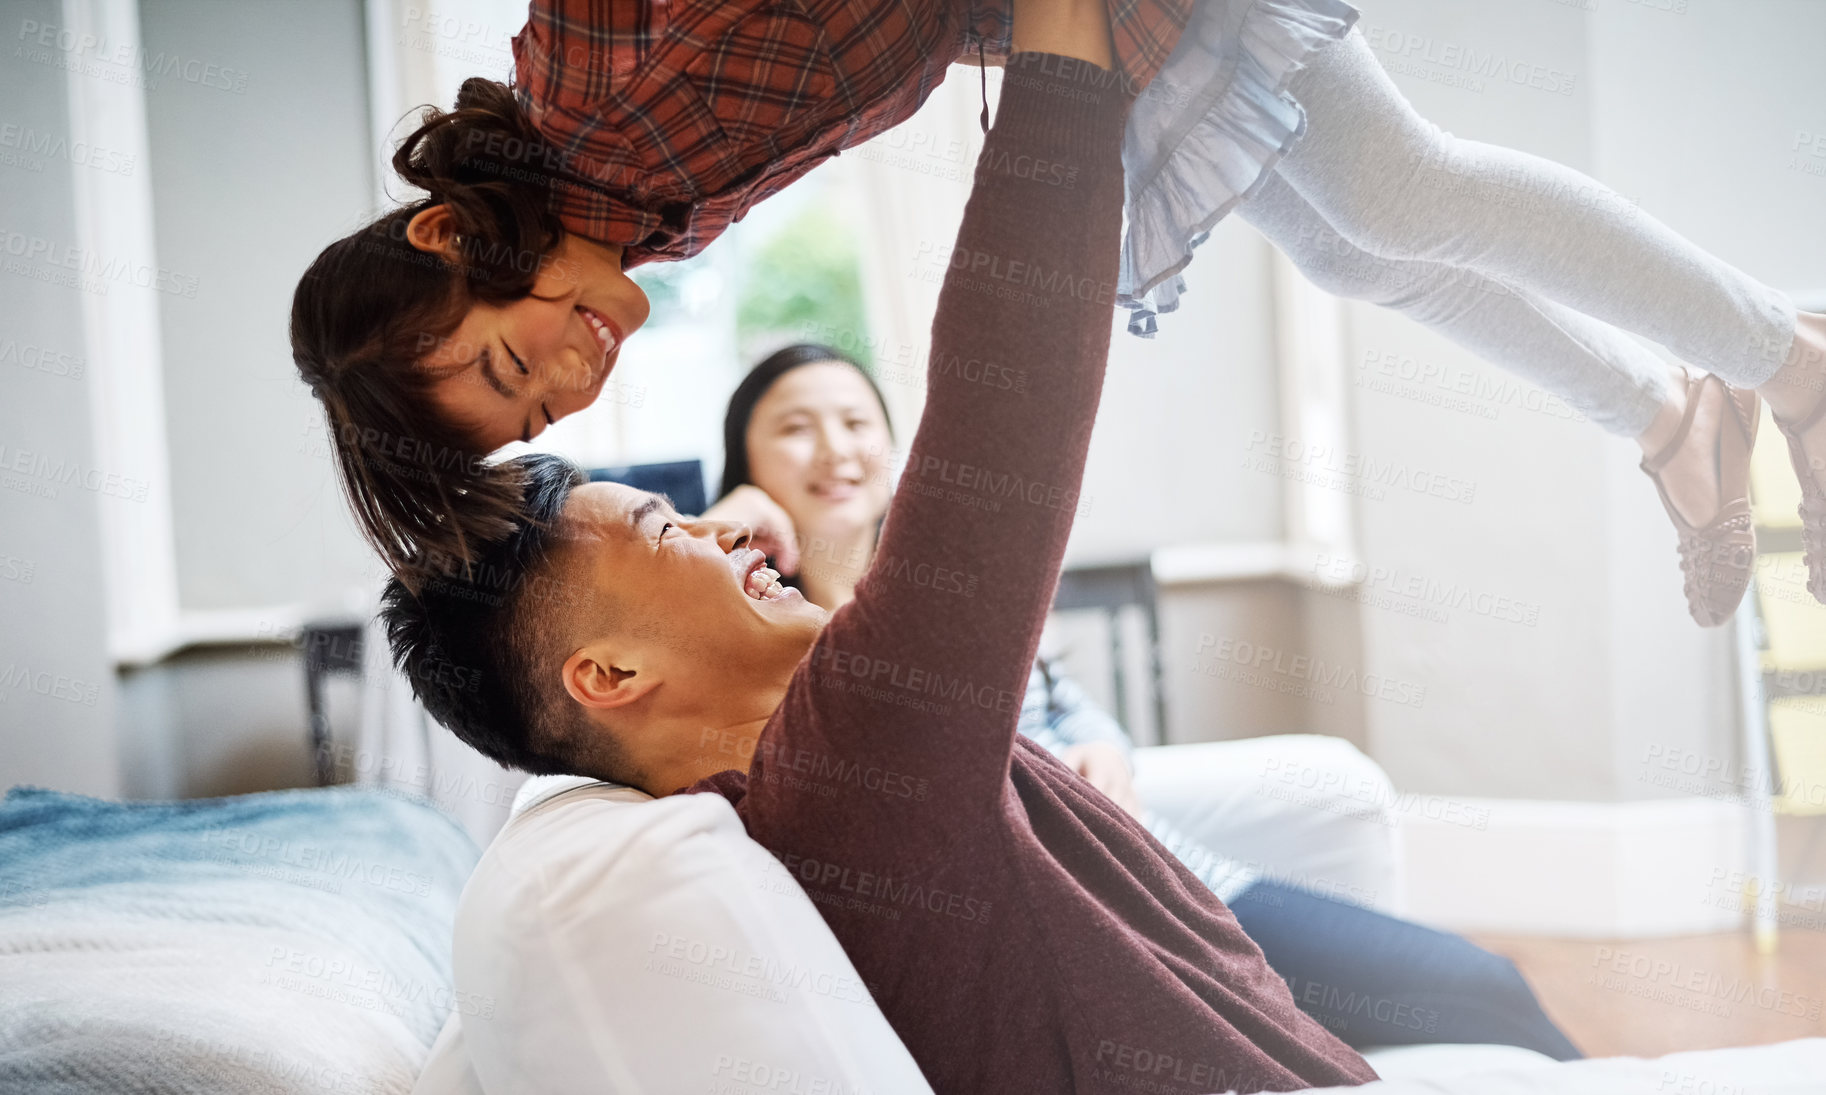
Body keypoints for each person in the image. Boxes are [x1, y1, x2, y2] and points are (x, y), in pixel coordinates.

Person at [381, 36, 1381, 1093]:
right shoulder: (840, 766)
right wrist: (1060, 60)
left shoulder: (800, 783)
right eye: (667, 531)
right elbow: (1003, 411)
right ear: (610, 675)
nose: (724, 529)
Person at [292, 0, 1826, 630]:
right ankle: (1674, 415)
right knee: (1361, 249)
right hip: (1041, 24)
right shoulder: (638, 213)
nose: (574, 371)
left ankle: (1792, 361)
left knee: (1403, 191)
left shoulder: (592, 83)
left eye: (513, 356)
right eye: (543, 407)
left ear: (447, 233)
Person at [701, 341, 1579, 1058]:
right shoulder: (765, 634)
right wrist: (727, 534)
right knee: (1479, 990)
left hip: (1175, 876)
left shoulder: (946, 585)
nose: (836, 450)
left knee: (1483, 985)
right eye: (795, 429)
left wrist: (1107, 747)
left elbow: (1061, 699)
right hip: (1101, 923)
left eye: (857, 422)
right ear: (744, 465)